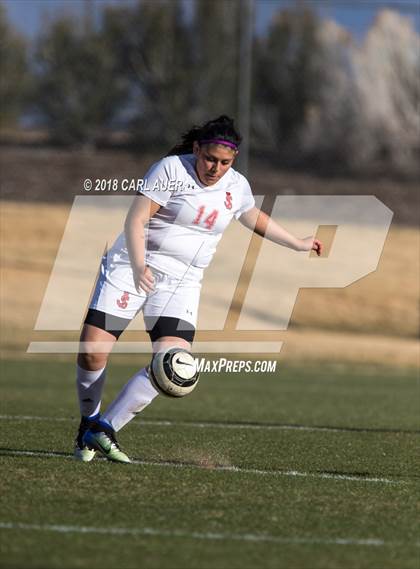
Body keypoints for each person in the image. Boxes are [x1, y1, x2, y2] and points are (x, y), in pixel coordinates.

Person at [75, 115, 323, 463]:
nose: (215, 168)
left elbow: (253, 216)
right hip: (131, 265)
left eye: (224, 162)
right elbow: (136, 219)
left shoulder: (236, 185)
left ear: (234, 160)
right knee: (92, 351)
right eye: (209, 159)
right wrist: (139, 265)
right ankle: (88, 422)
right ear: (196, 149)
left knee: (173, 366)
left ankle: (103, 431)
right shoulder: (171, 170)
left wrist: (297, 243)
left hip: (181, 282)